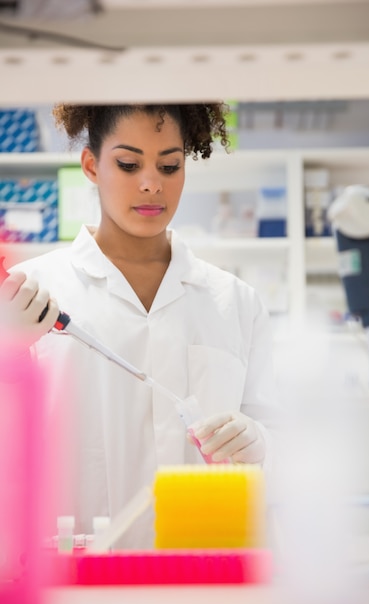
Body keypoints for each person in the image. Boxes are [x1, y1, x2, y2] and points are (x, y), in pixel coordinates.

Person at [0, 103, 279, 549]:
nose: (151, 183)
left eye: (169, 166)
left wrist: (261, 442)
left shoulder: (235, 302)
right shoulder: (31, 294)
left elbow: (286, 445)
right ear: (91, 165)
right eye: (128, 164)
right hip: (76, 582)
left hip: (204, 578)